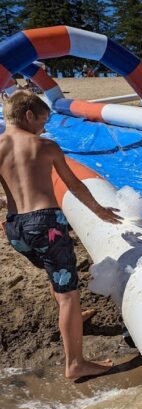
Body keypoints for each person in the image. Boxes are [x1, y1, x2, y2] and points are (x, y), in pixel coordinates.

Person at [0, 91, 123, 379]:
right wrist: (99, 211)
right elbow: (75, 186)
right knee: (69, 293)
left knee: (51, 270)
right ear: (29, 115)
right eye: (42, 120)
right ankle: (76, 363)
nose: (44, 127)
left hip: (15, 227)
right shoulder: (45, 146)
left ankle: (73, 319)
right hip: (46, 225)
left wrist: (9, 203)